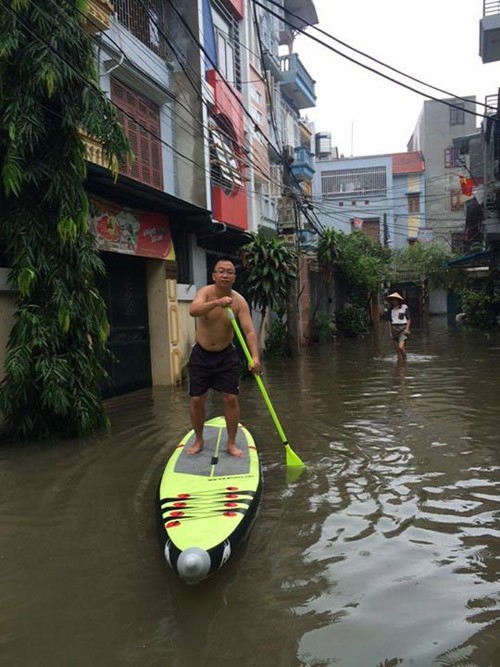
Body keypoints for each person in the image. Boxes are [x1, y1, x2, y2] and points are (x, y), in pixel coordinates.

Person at [187, 257, 261, 458]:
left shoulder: (239, 301)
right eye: (221, 271)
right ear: (214, 275)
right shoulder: (206, 293)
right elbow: (193, 310)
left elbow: (249, 332)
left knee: (230, 399)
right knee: (196, 400)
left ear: (234, 277)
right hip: (201, 354)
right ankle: (199, 440)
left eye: (229, 272)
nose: (225, 275)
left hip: (226, 355)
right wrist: (217, 303)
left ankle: (231, 443)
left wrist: (254, 357)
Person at [385, 292, 411, 361]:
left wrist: (407, 329)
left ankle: (405, 359)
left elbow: (408, 319)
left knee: (401, 347)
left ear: (398, 300)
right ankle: (400, 364)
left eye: (395, 300)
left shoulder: (404, 307)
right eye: (392, 300)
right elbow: (389, 322)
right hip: (394, 328)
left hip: (403, 328)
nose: (393, 301)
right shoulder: (390, 309)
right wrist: (390, 332)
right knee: (397, 350)